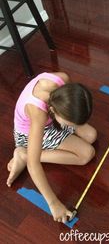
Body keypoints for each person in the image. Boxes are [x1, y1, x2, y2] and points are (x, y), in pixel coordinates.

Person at [6, 72, 97, 223]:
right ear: (54, 112)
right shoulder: (38, 113)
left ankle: (30, 152)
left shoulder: (63, 79)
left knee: (91, 135)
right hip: (29, 134)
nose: (73, 128)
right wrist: (53, 203)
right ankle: (24, 154)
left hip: (52, 121)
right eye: (70, 124)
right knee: (87, 154)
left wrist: (71, 123)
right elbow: (33, 165)